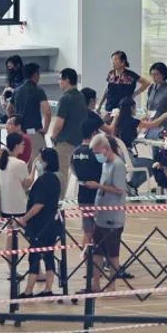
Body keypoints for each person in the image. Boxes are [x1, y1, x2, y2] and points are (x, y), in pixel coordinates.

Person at [86, 135, 129, 293]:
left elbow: (119, 189)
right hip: (101, 215)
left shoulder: (118, 165)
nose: (96, 155)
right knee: (97, 251)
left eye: (97, 152)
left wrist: (98, 186)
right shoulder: (105, 164)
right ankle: (95, 283)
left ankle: (112, 285)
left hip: (113, 217)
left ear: (106, 149)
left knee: (112, 253)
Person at [18, 148, 62, 298]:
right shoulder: (55, 179)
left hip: (40, 225)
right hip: (52, 224)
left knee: (34, 256)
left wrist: (24, 218)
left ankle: (28, 290)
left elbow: (38, 205)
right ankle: (48, 288)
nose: (38, 161)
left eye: (40, 159)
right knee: (49, 255)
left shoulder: (43, 181)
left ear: (46, 162)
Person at [50, 68, 87, 200]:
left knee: (61, 173)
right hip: (78, 141)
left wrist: (53, 136)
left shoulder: (65, 98)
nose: (59, 82)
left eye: (60, 79)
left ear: (66, 80)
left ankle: (58, 201)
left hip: (64, 141)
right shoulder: (81, 97)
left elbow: (59, 122)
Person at [73, 116, 105, 261]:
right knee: (100, 231)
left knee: (87, 230)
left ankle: (87, 261)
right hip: (96, 196)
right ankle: (99, 260)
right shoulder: (96, 153)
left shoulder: (76, 151)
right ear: (94, 133)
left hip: (82, 195)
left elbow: (74, 170)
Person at [11, 62, 52, 167]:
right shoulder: (38, 90)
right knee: (42, 162)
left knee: (22, 164)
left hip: (19, 132)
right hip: (33, 132)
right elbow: (47, 111)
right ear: (35, 75)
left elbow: (8, 108)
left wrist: (13, 122)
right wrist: (45, 129)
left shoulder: (17, 90)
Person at [99, 51, 150, 117]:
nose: (113, 62)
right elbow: (107, 90)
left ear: (123, 62)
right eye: (112, 60)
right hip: (110, 108)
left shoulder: (130, 75)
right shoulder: (111, 73)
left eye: (116, 59)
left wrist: (134, 94)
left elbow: (146, 82)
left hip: (124, 110)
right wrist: (100, 105)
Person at [0, 132, 34, 221]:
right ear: (16, 146)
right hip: (18, 208)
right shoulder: (20, 164)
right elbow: (26, 184)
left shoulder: (2, 162)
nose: (24, 146)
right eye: (22, 144)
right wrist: (33, 168)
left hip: (5, 207)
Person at [145, 62, 167, 140]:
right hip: (151, 125)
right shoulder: (151, 88)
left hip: (163, 128)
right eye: (152, 74)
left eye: (156, 74)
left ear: (163, 74)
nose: (153, 77)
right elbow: (149, 107)